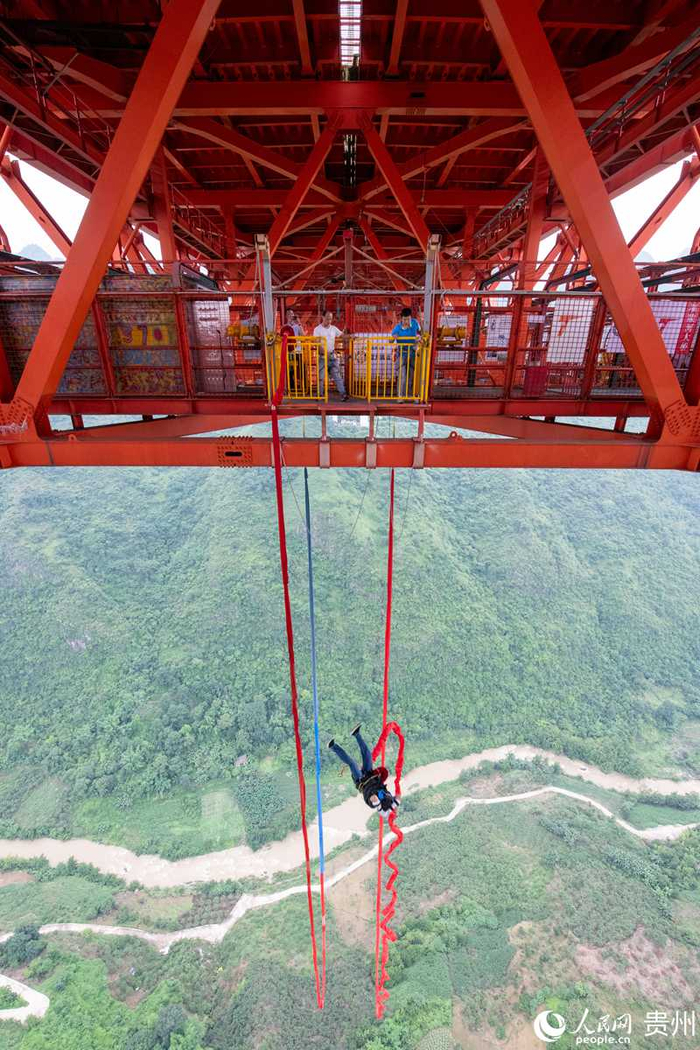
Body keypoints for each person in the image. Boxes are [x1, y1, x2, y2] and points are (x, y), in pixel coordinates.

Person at [328, 724, 400, 813]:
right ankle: (356, 734)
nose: (387, 794)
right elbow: (397, 796)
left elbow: (373, 799)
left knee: (352, 763)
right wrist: (395, 803)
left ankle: (333, 746)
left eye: (386, 796)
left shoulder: (373, 803)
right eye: (388, 795)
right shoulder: (387, 795)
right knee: (367, 755)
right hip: (369, 774)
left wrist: (378, 804)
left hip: (360, 780)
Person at [314, 310, 349, 400]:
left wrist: (351, 336)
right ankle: (320, 395)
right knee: (321, 377)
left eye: (330, 319)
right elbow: (317, 345)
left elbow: (342, 335)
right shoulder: (317, 330)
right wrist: (326, 353)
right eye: (327, 319)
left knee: (337, 376)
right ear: (322, 317)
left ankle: (343, 394)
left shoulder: (333, 328)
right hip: (322, 357)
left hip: (332, 356)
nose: (329, 321)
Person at [391, 307, 421, 398]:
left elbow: (421, 332)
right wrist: (394, 338)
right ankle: (400, 397)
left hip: (413, 353)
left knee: (412, 376)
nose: (406, 321)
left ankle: (412, 395)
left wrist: (419, 338)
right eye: (404, 319)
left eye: (408, 319)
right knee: (402, 376)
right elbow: (390, 341)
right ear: (401, 319)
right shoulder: (397, 328)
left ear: (411, 318)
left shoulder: (415, 323)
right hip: (402, 354)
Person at [281, 310, 305, 394]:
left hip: (298, 351)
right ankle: (291, 387)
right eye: (289, 314)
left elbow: (303, 335)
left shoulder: (297, 326)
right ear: (286, 316)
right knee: (289, 370)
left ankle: (303, 387)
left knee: (301, 368)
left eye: (292, 314)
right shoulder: (284, 327)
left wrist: (299, 323)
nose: (291, 316)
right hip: (289, 351)